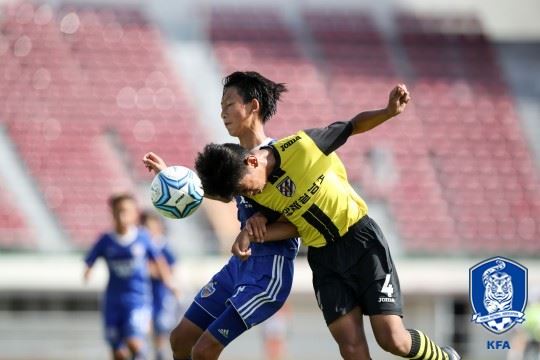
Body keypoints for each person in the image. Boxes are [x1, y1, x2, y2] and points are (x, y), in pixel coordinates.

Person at [194, 84, 461, 360]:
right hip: (324, 259)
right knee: (351, 347)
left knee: (393, 340)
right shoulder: (261, 196)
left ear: (251, 161)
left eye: (246, 187)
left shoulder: (301, 147)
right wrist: (251, 233)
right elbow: (293, 225)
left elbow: (351, 126)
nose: (251, 195)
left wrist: (388, 111)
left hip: (361, 241)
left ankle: (445, 357)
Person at [142, 71, 300, 360]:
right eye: (220, 106)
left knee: (204, 350)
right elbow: (216, 191)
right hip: (238, 267)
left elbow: (300, 223)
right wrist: (172, 178)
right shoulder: (236, 157)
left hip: (267, 274)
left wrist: (258, 227)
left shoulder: (279, 158)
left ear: (253, 106)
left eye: (229, 104)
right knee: (181, 340)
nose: (222, 112)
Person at [84, 193, 177, 360]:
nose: (121, 216)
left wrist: (169, 281)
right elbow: (91, 258)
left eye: (125, 211)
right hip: (113, 301)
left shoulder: (142, 237)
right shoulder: (106, 240)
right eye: (118, 211)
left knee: (135, 342)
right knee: (117, 350)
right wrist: (88, 270)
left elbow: (159, 260)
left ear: (134, 214)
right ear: (111, 213)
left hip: (138, 299)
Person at [140, 210, 179, 360]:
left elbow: (171, 269)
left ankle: (159, 354)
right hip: (143, 293)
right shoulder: (140, 245)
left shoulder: (162, 246)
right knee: (143, 328)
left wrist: (155, 272)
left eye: (150, 227)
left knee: (160, 329)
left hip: (160, 294)